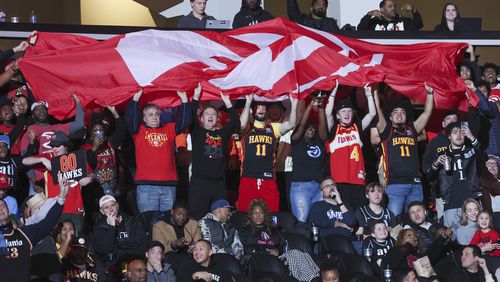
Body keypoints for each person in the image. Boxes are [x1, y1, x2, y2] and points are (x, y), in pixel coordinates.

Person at [124, 89, 191, 213]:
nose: (154, 117)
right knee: (148, 224)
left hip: (168, 185)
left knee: (166, 225)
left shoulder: (169, 129)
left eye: (156, 114)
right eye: (150, 115)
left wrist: (185, 100)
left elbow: (184, 122)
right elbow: (129, 120)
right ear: (144, 118)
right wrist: (135, 100)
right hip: (146, 186)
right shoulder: (139, 131)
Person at [375, 83, 434, 216]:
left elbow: (427, 114)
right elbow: (377, 112)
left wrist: (429, 94)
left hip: (415, 184)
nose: (399, 114)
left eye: (402, 112)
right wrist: (372, 93)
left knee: (417, 221)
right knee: (394, 220)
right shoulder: (387, 131)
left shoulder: (412, 130)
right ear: (389, 117)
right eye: (395, 112)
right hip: (395, 184)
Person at [22, 130, 96, 231]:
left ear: (66, 145)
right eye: (53, 146)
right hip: (54, 209)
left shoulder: (77, 158)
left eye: (58, 146)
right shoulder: (49, 157)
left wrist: (90, 178)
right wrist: (42, 160)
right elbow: (24, 161)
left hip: (75, 207)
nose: (54, 148)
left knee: (76, 240)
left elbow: (93, 173)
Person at [0, 173, 68, 281]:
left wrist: (62, 197)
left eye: (3, 206)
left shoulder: (24, 234)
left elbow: (48, 222)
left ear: (8, 210)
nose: (0, 209)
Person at [237, 94, 298, 212]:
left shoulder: (272, 127)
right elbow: (242, 124)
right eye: (258, 107)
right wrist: (248, 102)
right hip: (248, 176)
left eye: (263, 108)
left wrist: (294, 105)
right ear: (253, 111)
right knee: (245, 212)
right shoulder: (247, 128)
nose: (261, 110)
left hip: (268, 178)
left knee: (272, 212)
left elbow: (291, 124)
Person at [187, 85, 239, 219]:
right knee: (197, 218)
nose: (210, 116)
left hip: (218, 184)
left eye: (213, 115)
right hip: (199, 183)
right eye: (207, 114)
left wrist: (227, 101)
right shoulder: (197, 132)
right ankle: (199, 241)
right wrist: (196, 97)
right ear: (201, 119)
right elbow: (191, 115)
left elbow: (234, 121)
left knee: (222, 218)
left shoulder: (222, 134)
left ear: (217, 119)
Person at [325, 83, 376, 210]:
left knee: (359, 214)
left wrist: (368, 94)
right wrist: (334, 91)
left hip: (358, 180)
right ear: (338, 115)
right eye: (343, 111)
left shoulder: (357, 128)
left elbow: (372, 114)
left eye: (349, 111)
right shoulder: (334, 129)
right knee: (343, 213)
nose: (347, 114)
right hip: (339, 181)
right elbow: (327, 113)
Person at [427, 122, 482, 229]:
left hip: (471, 203)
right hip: (450, 202)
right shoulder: (442, 155)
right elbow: (430, 178)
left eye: (461, 132)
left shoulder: (471, 152)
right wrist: (436, 164)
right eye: (455, 132)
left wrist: (472, 137)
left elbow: (483, 157)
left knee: (473, 236)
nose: (458, 135)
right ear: (449, 136)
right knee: (451, 239)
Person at [290, 96, 327, 223]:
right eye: (307, 127)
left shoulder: (319, 140)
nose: (310, 129)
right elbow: (301, 124)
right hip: (301, 187)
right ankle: (301, 243)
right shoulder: (296, 141)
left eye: (312, 127)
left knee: (319, 222)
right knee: (301, 222)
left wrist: (321, 106)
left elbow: (323, 125)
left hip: (319, 187)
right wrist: (310, 105)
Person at [91, 195, 148, 268]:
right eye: (106, 207)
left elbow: (142, 246)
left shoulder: (132, 222)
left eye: (113, 205)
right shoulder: (99, 228)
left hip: (134, 260)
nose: (111, 210)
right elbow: (107, 251)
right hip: (114, 264)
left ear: (117, 206)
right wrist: (111, 227)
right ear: (102, 211)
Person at [81, 106, 126, 196]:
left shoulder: (110, 143)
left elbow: (122, 131)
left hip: (113, 187)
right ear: (91, 133)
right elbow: (88, 163)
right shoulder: (85, 147)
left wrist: (114, 112)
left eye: (101, 130)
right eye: (95, 131)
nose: (98, 133)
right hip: (96, 190)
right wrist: (94, 147)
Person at [357, 0, 423, 31]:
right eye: (390, 6)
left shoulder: (403, 21)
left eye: (394, 6)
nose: (393, 8)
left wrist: (414, 10)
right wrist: (368, 15)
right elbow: (360, 30)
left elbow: (419, 25)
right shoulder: (374, 22)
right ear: (382, 9)